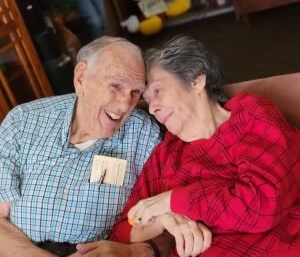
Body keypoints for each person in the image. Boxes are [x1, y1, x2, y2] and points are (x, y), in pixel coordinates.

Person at [0, 36, 211, 257]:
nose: (124, 105)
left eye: (135, 92)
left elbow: (169, 219)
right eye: (115, 86)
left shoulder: (144, 135)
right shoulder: (24, 121)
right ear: (81, 77)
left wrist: (139, 251)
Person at [108, 35, 300, 256]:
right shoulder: (167, 153)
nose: (152, 109)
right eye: (148, 100)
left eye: (158, 91)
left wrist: (171, 200)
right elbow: (124, 229)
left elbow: (263, 205)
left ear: (196, 81)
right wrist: (162, 219)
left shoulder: (250, 116)